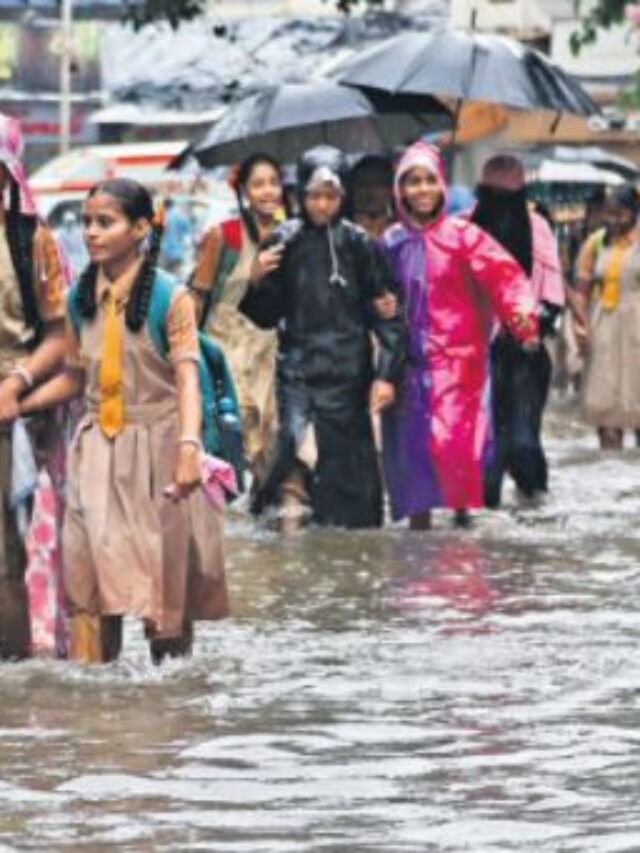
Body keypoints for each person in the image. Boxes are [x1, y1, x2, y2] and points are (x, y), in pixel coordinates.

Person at [20, 178, 228, 664]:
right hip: (95, 449)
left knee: (163, 594)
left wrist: (189, 448)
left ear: (140, 229)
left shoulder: (169, 298)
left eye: (105, 223)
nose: (91, 232)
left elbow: (188, 379)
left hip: (160, 447)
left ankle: (169, 704)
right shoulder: (79, 297)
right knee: (88, 585)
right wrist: (21, 403)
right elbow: (74, 377)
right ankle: (98, 707)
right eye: (88, 222)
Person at [239, 145, 405, 530]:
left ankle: (350, 551)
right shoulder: (283, 241)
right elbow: (265, 316)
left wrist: (385, 374)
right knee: (293, 452)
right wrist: (256, 279)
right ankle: (282, 529)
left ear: (344, 196)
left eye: (331, 196)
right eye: (314, 196)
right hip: (298, 373)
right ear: (300, 196)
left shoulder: (362, 245)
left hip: (349, 376)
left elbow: (389, 316)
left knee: (351, 473)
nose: (322, 204)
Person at [381, 141, 539, 531]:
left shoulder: (464, 237)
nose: (421, 190)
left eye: (428, 180)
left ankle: (462, 530)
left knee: (456, 447)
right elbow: (372, 289)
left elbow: (506, 279)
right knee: (414, 455)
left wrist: (522, 322)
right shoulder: (390, 242)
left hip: (459, 362)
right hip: (407, 363)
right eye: (412, 181)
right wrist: (378, 307)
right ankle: (420, 541)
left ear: (442, 186)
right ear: (400, 189)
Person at [0, 114, 69, 660]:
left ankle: (17, 677)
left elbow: (60, 339)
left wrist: (16, 384)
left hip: (9, 407)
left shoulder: (32, 241)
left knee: (5, 555)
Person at [470, 155, 565, 507]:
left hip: (527, 351)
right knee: (488, 450)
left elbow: (553, 290)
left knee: (525, 443)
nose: (502, 205)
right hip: (477, 352)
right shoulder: (465, 227)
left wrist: (531, 325)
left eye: (508, 196)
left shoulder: (538, 227)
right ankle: (490, 536)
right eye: (494, 195)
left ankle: (535, 523)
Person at [189, 154, 285, 490]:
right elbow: (198, 294)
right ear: (243, 190)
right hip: (225, 344)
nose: (268, 191)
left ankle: (262, 510)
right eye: (258, 184)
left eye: (274, 182)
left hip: (270, 348)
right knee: (237, 425)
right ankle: (230, 506)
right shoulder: (223, 235)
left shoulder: (290, 234)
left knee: (272, 432)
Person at [572, 184, 640, 450]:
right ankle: (609, 475)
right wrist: (580, 326)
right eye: (608, 214)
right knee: (605, 407)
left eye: (619, 214)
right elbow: (580, 292)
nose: (612, 221)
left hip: (636, 329)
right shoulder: (596, 243)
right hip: (604, 332)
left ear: (634, 213)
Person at [346, 154, 395, 239]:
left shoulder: (403, 236)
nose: (371, 192)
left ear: (391, 190)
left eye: (379, 185)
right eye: (363, 184)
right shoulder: (338, 235)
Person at [55, 209, 89, 283]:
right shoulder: (61, 234)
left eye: (71, 222)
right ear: (65, 222)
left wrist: (85, 258)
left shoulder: (79, 232)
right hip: (69, 260)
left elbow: (83, 246)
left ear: (74, 222)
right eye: (68, 222)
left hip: (81, 258)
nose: (70, 224)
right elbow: (62, 250)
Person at [160, 198, 192, 275]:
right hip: (179, 253)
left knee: (160, 276)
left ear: (165, 206)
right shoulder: (182, 217)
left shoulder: (164, 216)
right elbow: (187, 235)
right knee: (173, 279)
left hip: (165, 252)